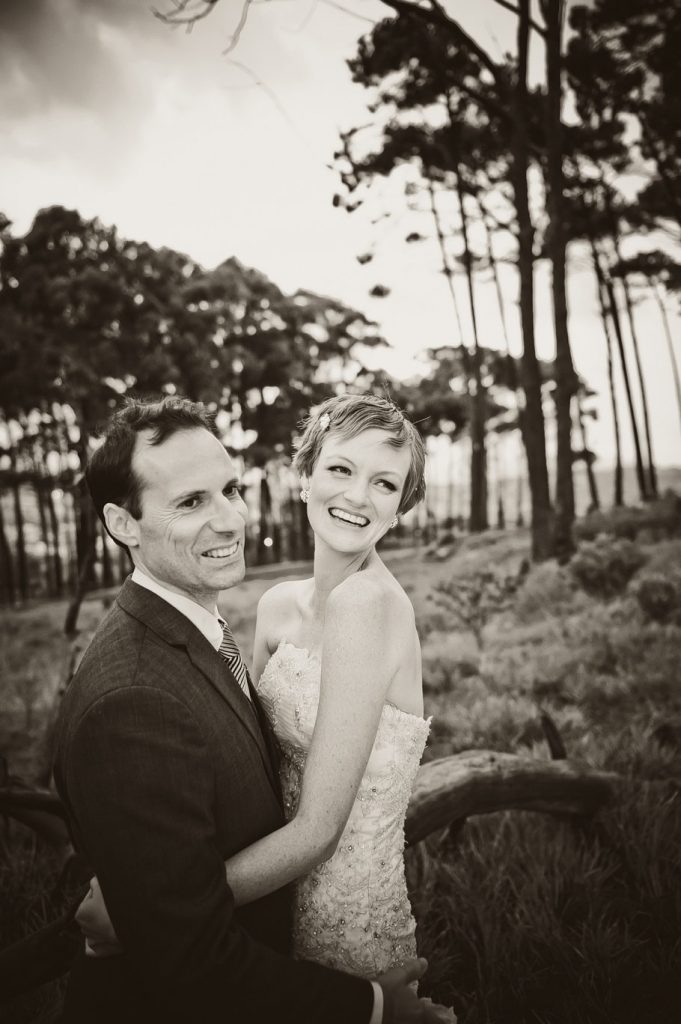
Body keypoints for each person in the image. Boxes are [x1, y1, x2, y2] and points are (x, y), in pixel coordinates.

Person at [53, 395, 448, 1024]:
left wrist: (144, 910)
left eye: (385, 484)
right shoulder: (275, 607)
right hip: (267, 917)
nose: (357, 496)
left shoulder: (364, 606)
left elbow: (319, 828)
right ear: (306, 475)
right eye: (341, 470)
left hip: (346, 915)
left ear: (401, 509)